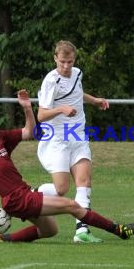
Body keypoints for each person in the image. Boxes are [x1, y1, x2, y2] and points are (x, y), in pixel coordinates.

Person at [0, 84, 134, 243]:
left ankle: (2, 239)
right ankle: (118, 230)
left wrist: (27, 108)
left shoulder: (1, 138)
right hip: (17, 199)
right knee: (72, 205)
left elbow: (29, 132)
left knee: (50, 231)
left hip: (22, 195)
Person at [36, 40, 110, 243]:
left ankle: (81, 231)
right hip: (58, 138)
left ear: (74, 60)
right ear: (55, 59)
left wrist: (94, 100)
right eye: (62, 62)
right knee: (61, 189)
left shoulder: (77, 73)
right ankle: (33, 195)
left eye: (69, 61)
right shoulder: (51, 81)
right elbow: (41, 115)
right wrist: (62, 109)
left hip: (77, 135)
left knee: (84, 181)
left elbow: (77, 93)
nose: (66, 66)